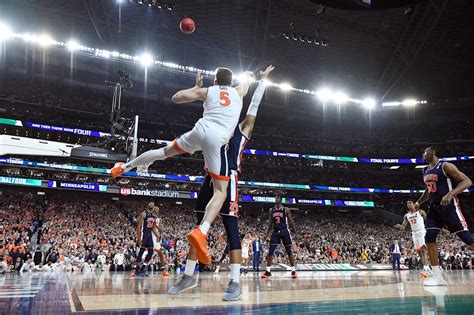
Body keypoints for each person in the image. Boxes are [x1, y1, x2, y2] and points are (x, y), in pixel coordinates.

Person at [110, 68, 255, 266]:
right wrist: (249, 76)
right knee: (221, 191)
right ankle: (202, 231)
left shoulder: (208, 91)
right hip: (216, 140)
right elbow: (246, 82)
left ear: (215, 81)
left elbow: (176, 98)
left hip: (199, 131)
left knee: (163, 152)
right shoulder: (239, 91)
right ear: (231, 82)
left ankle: (124, 167)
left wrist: (196, 88)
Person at [168, 66, 274, 301]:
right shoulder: (218, 125)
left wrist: (262, 81)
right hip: (211, 178)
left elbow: (253, 106)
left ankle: (235, 282)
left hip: (231, 179)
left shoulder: (243, 129)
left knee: (231, 228)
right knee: (198, 228)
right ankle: (188, 275)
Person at [413, 147, 473, 286]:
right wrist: (418, 202)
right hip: (434, 209)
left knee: (467, 239)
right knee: (429, 238)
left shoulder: (445, 166)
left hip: (449, 207)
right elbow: (429, 190)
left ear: (433, 152)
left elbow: (467, 181)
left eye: (425, 152)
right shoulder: (425, 170)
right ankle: (437, 277)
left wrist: (450, 193)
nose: (423, 154)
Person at [262, 194, 298, 279]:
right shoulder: (271, 210)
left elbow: (291, 221)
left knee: (289, 251)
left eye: (278, 198)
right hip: (275, 231)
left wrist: (296, 233)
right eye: (275, 198)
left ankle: (293, 270)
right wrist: (267, 234)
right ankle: (268, 271)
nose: (276, 199)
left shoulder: (286, 209)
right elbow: (270, 223)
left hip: (284, 230)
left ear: (281, 200)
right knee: (270, 251)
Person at [395, 201, 431, 277]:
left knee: (423, 250)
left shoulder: (420, 212)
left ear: (414, 205)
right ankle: (425, 266)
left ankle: (427, 268)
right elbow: (403, 227)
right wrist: (399, 226)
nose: (408, 204)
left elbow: (428, 220)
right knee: (419, 251)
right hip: (414, 233)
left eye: (410, 203)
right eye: (407, 203)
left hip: (421, 232)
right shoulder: (406, 215)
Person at [133, 202, 161, 277]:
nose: (152, 203)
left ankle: (143, 268)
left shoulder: (154, 216)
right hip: (144, 234)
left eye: (153, 203)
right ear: (148, 205)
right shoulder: (143, 214)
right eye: (150, 203)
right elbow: (139, 227)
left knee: (151, 252)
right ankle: (137, 270)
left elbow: (153, 228)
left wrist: (157, 235)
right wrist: (139, 239)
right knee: (141, 252)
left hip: (149, 235)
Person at [151, 206, 170, 277]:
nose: (156, 211)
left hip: (156, 239)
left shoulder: (159, 219)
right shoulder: (149, 218)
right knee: (143, 254)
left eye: (157, 210)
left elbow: (161, 229)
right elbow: (151, 228)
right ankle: (134, 269)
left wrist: (160, 229)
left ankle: (164, 270)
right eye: (155, 210)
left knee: (160, 254)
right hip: (150, 237)